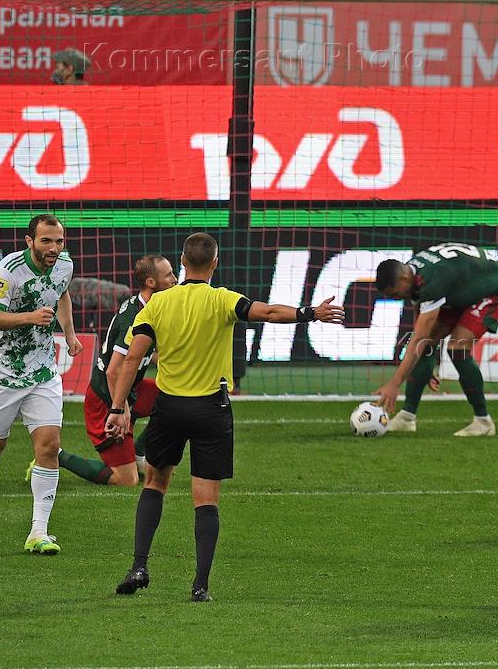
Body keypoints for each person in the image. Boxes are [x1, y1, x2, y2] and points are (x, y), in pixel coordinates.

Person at [108, 232, 344, 601]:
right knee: (206, 499)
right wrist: (311, 313)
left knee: (154, 484)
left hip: (169, 408)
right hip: (210, 410)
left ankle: (139, 566)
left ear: (182, 262)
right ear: (215, 263)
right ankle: (200, 585)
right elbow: (268, 312)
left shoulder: (158, 303)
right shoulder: (222, 300)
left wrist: (117, 407)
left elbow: (132, 359)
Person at [0, 214, 82, 554]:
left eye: (59, 241)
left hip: (43, 372)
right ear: (30, 241)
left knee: (48, 446)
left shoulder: (64, 266)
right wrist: (30, 317)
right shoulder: (9, 270)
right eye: (46, 241)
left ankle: (39, 532)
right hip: (2, 373)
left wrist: (70, 334)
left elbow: (62, 295)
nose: (54, 248)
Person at [55, 255, 178, 487]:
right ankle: (55, 455)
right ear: (151, 282)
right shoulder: (135, 318)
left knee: (178, 400)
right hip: (106, 399)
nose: (175, 279)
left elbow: (141, 353)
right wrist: (120, 409)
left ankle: (139, 453)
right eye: (169, 274)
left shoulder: (152, 307)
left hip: (131, 388)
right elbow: (114, 371)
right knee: (127, 480)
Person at [373, 242, 498, 437]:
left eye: (395, 293)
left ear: (404, 278)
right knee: (426, 346)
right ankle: (406, 418)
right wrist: (425, 366)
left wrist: (393, 385)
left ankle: (483, 422)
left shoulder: (432, 278)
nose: (397, 298)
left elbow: (418, 338)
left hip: (493, 287)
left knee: (457, 348)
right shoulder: (413, 275)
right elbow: (420, 324)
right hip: (462, 288)